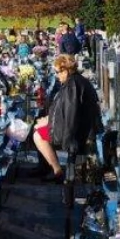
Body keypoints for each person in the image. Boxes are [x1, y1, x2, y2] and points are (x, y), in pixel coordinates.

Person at [32, 54, 101, 182]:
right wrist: (48, 120)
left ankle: (56, 170)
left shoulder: (72, 86)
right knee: (38, 127)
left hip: (77, 133)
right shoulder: (76, 81)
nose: (57, 76)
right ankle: (46, 167)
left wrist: (49, 125)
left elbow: (70, 115)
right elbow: (65, 111)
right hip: (82, 127)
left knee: (38, 135)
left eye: (58, 72)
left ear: (65, 70)